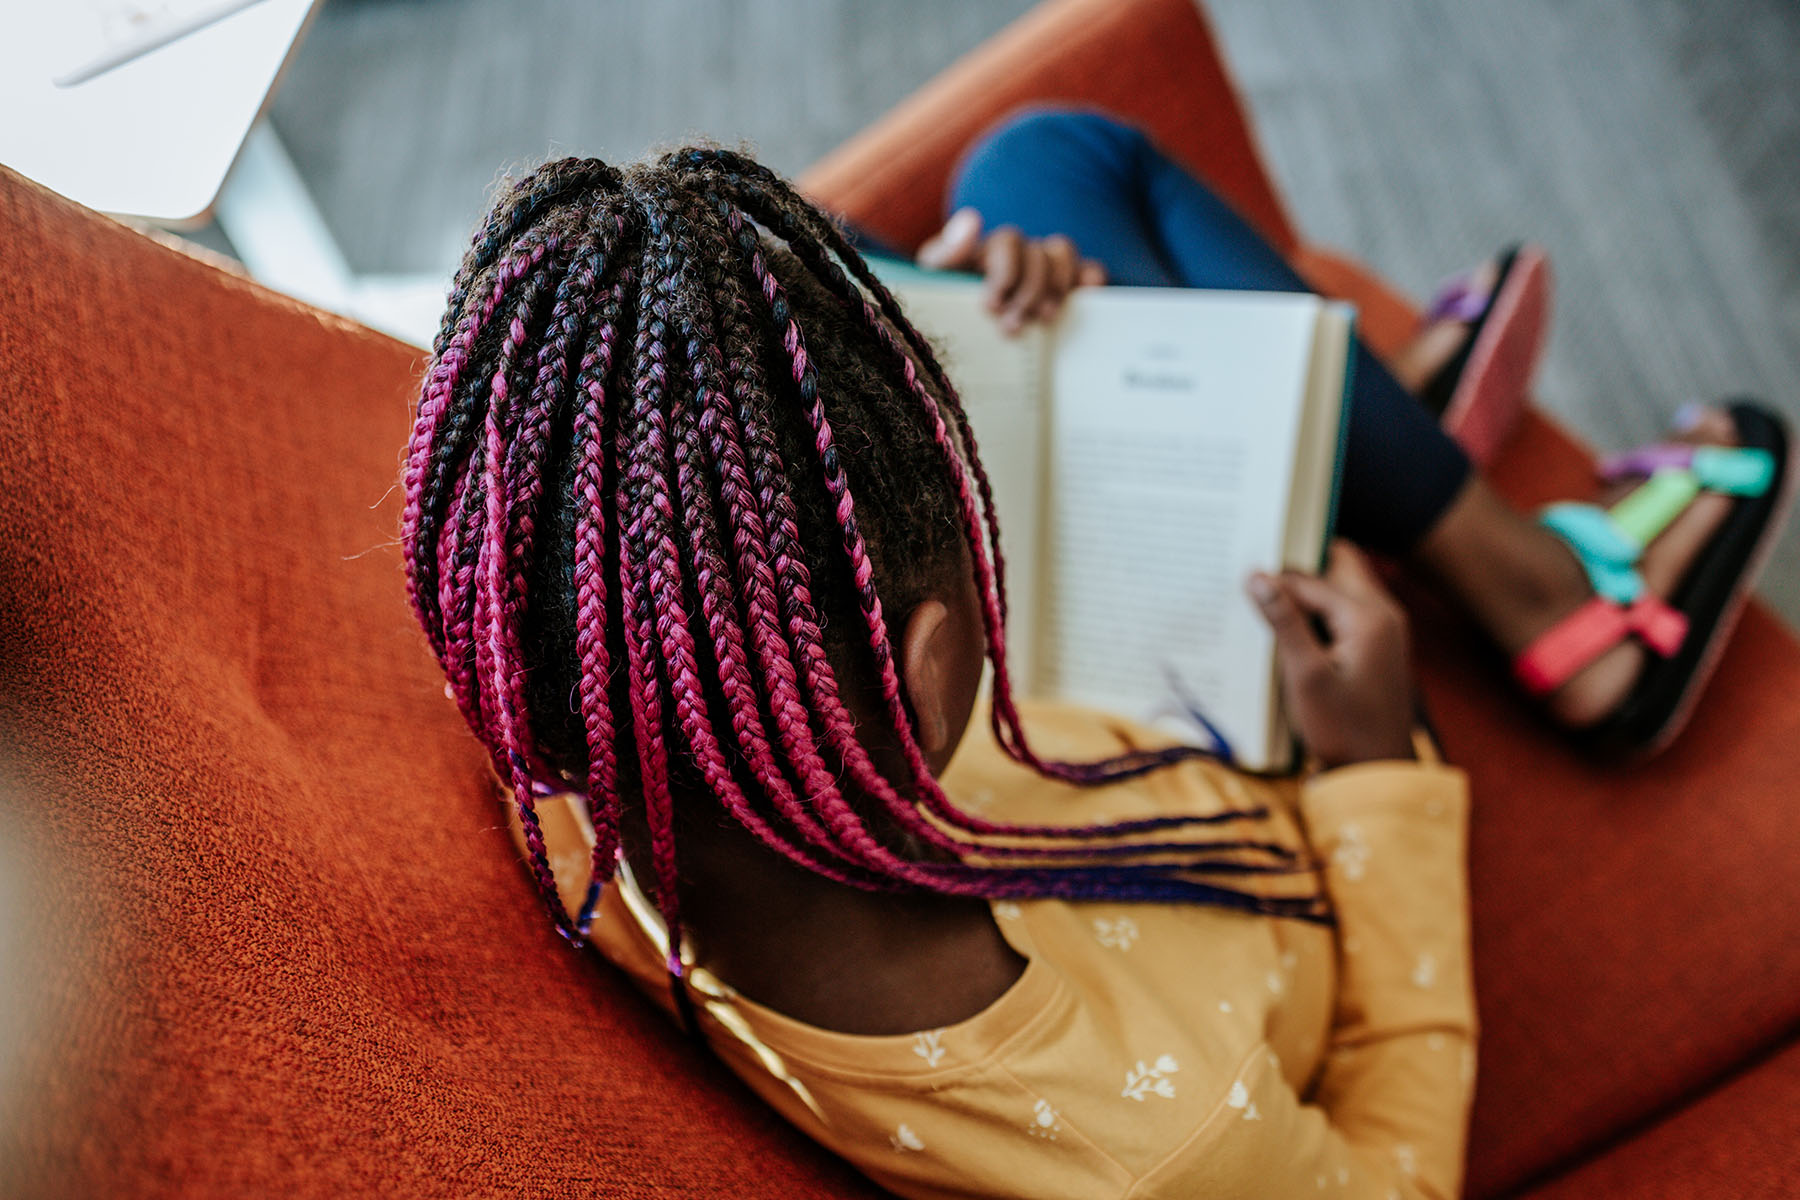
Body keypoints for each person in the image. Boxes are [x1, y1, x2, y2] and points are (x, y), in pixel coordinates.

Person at [398, 112, 1787, 1200]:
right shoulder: (1164, 1147)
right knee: (1076, 161)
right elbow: (1393, 1182)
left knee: (1027, 190)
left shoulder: (595, 748)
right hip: (1247, 739)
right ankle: (1521, 578)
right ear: (937, 662)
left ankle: (1367, 444)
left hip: (1023, 736)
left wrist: (946, 312)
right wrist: (1379, 775)